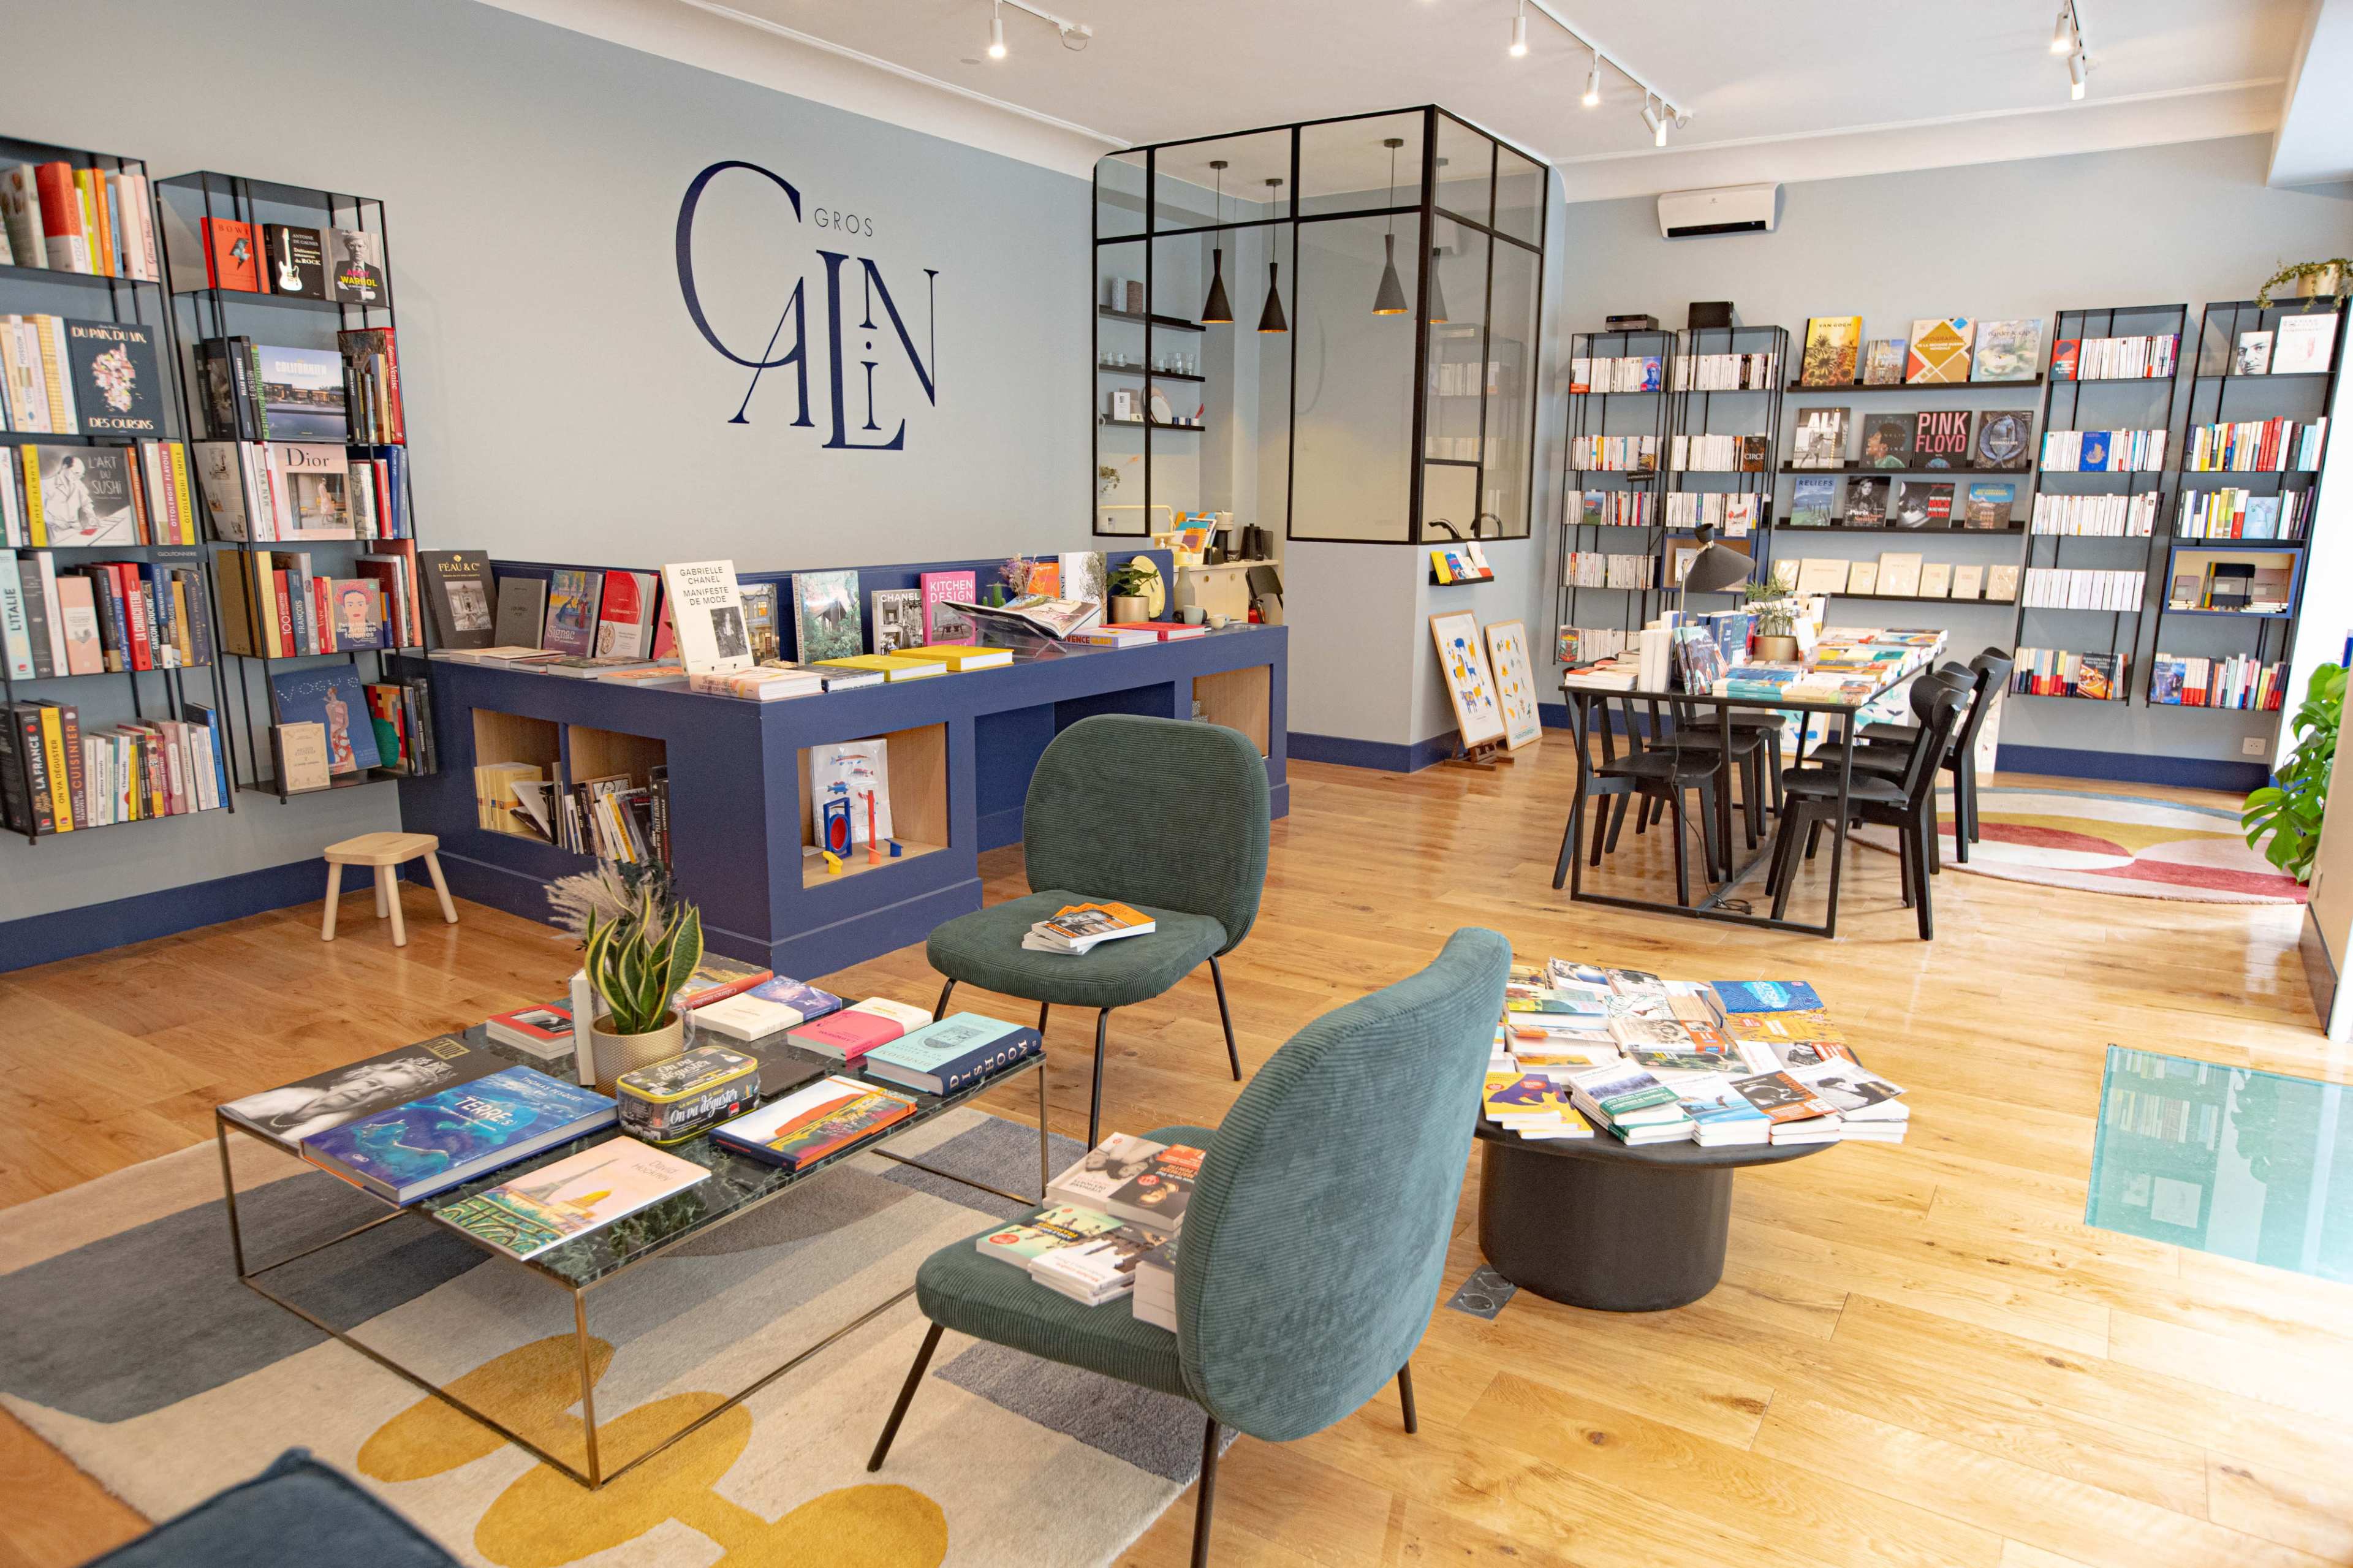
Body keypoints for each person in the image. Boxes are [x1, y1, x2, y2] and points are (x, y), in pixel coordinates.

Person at [224, 1053, 465, 1143]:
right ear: (358, 1075)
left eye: (385, 1092)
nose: (366, 1092)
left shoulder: (339, 1133)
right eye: (372, 1083)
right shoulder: (281, 1099)